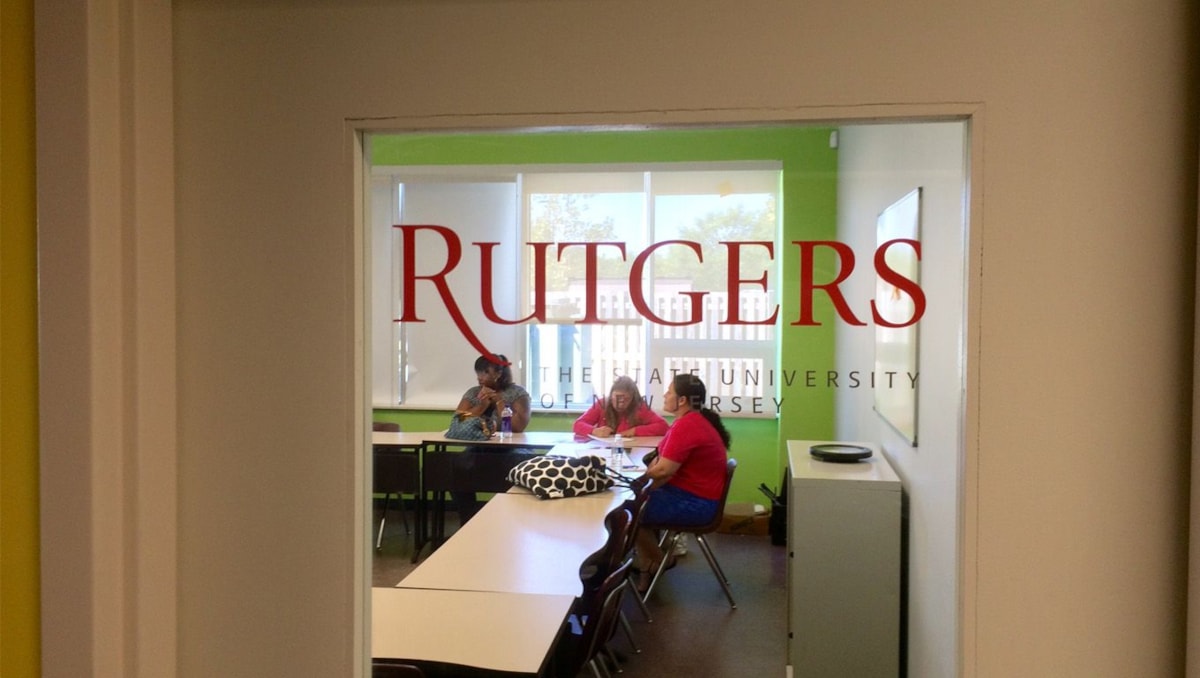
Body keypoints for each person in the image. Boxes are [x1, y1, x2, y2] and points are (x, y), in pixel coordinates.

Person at [633, 373, 731, 592]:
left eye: (669, 392)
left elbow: (664, 470)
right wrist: (644, 480)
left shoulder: (688, 425)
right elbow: (661, 463)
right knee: (636, 501)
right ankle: (649, 565)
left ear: (682, 400)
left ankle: (659, 560)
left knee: (628, 511)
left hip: (697, 505)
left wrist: (637, 480)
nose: (665, 395)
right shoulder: (690, 421)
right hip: (694, 498)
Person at [452, 354, 532, 524]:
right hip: (479, 447)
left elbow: (518, 426)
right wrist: (482, 406)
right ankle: (468, 519)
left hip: (510, 447)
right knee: (456, 466)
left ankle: (511, 519)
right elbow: (459, 419)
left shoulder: (517, 393)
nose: (479, 377)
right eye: (478, 372)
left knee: (518, 465)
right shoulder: (474, 393)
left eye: (485, 372)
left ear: (499, 373)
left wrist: (499, 403)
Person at [572, 375, 669, 438]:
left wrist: (635, 431)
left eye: (626, 399)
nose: (620, 403)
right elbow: (578, 424)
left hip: (631, 451)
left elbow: (663, 427)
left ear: (633, 398)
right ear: (611, 395)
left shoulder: (639, 407)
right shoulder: (602, 404)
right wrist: (594, 431)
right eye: (617, 397)